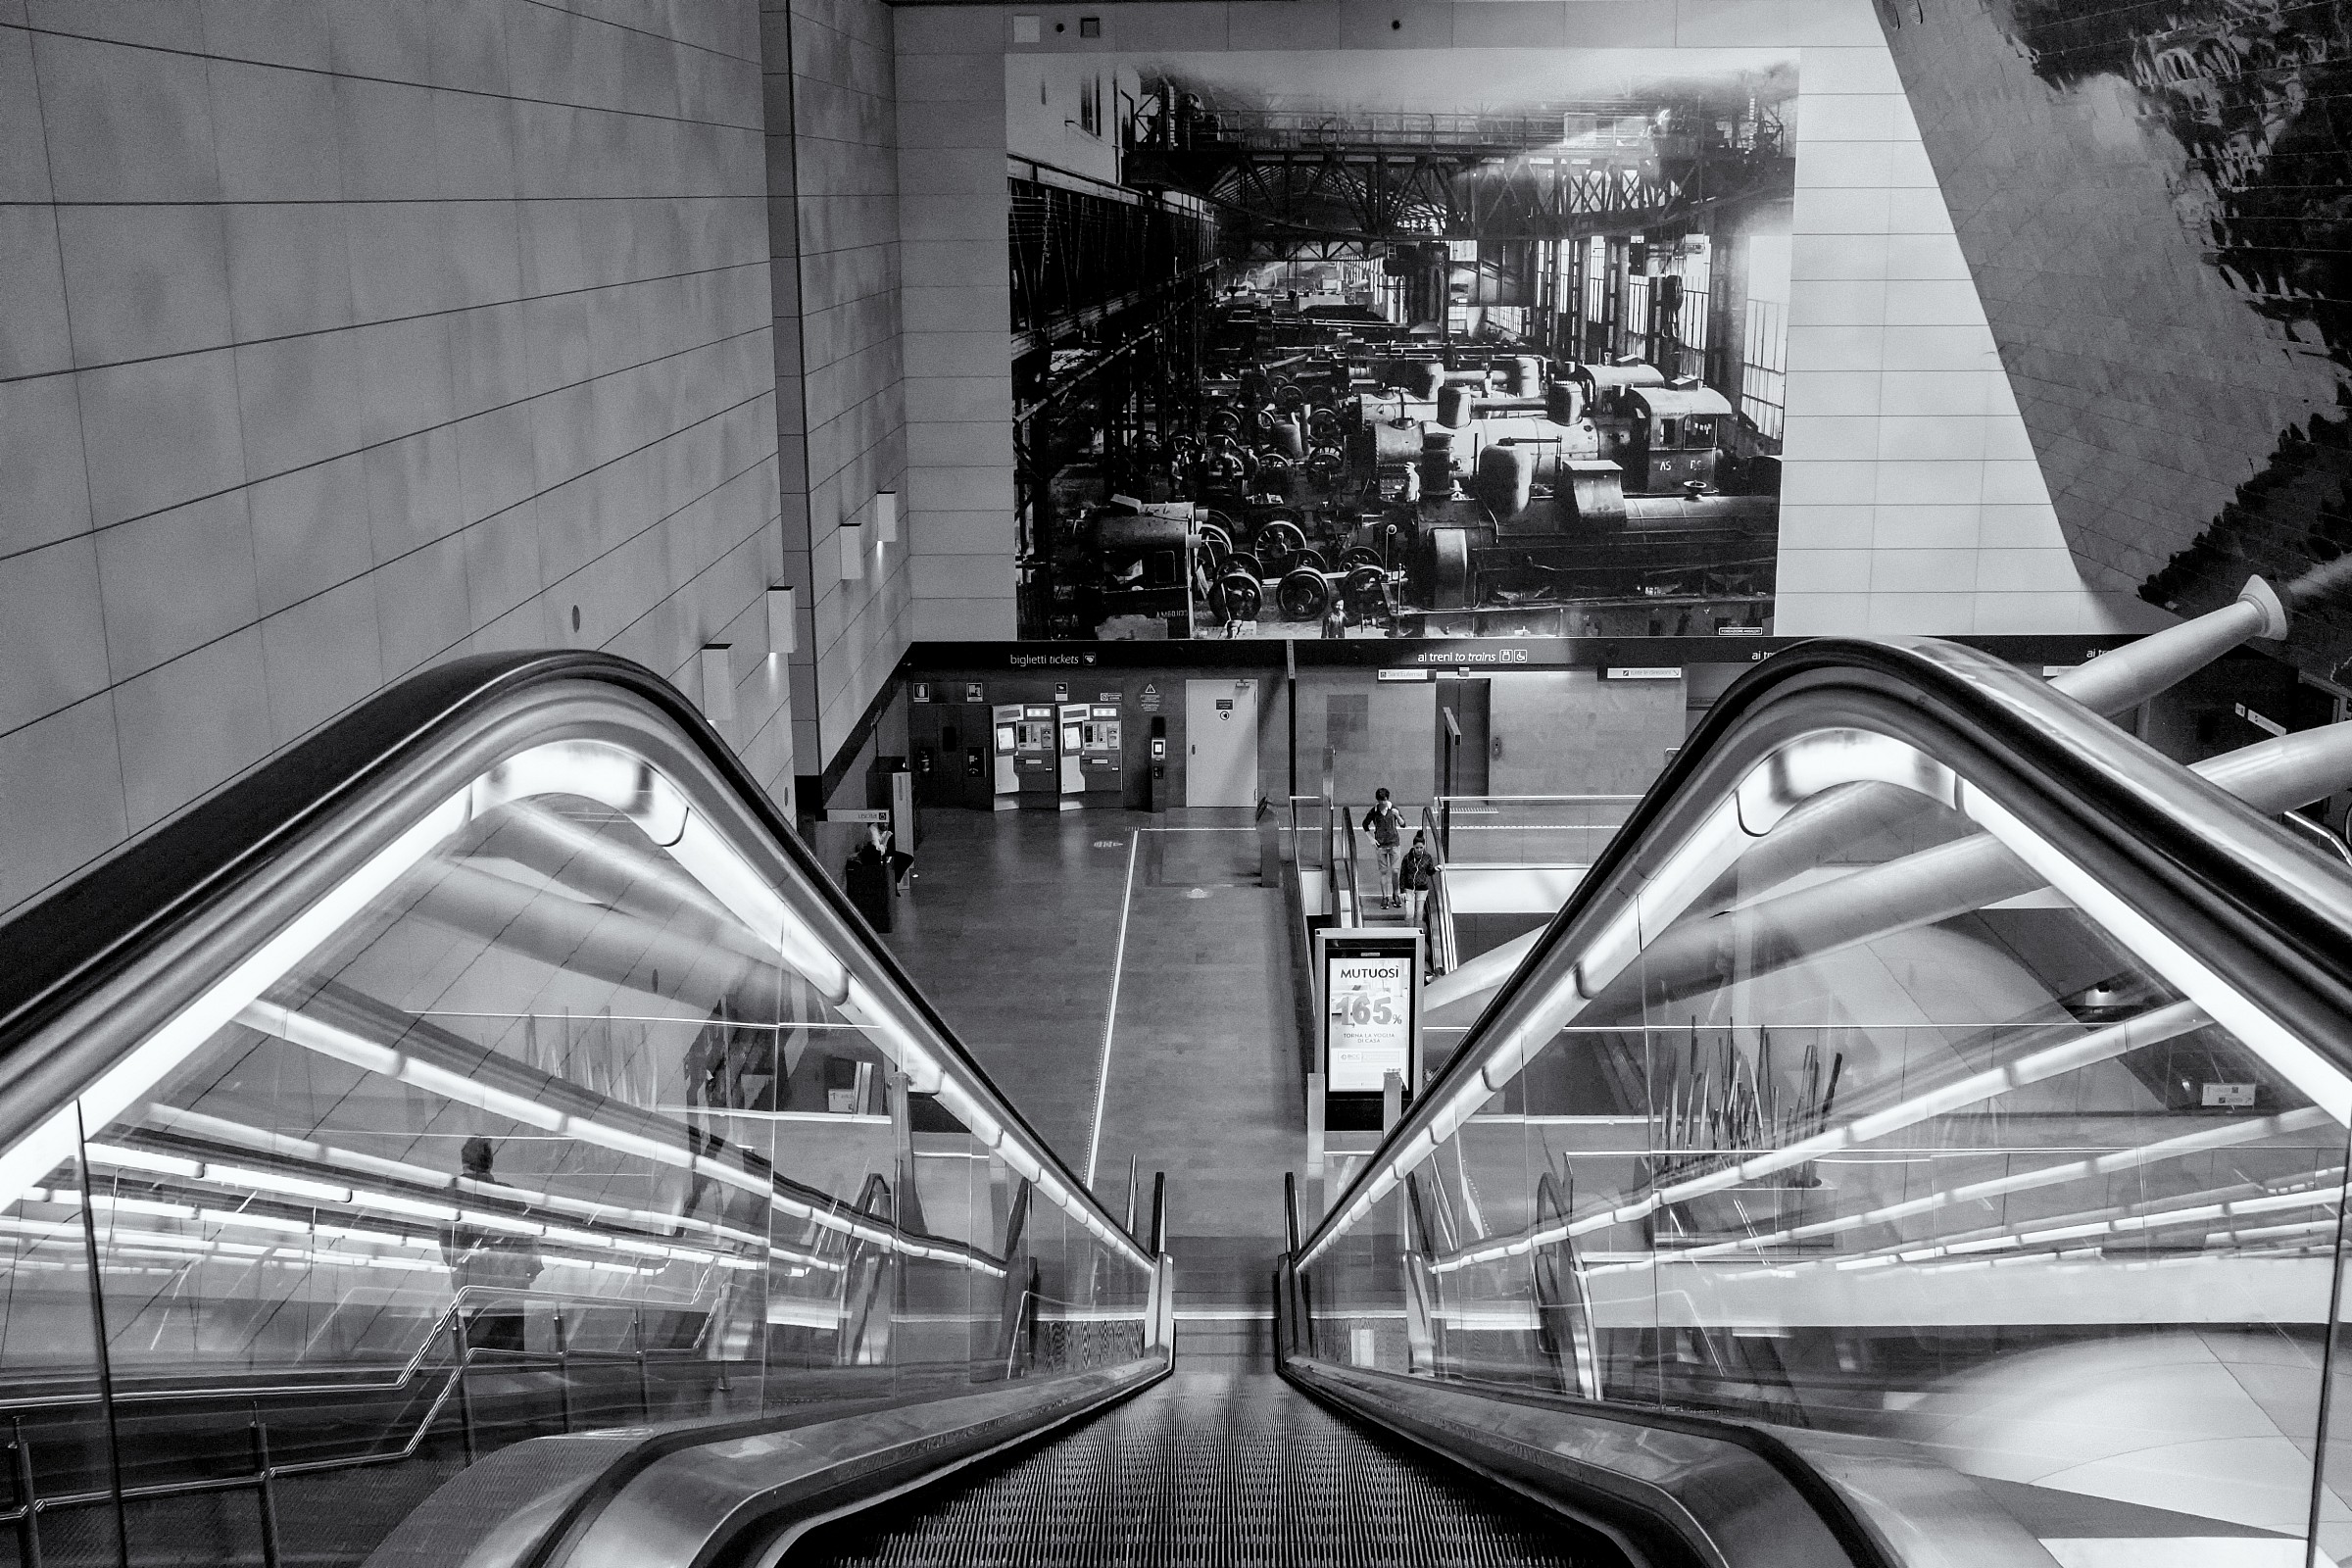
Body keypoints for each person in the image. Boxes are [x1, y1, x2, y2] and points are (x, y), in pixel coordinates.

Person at [441, 1137, 542, 1353]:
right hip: (511, 1292)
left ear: (464, 1162)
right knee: (512, 1353)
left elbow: (448, 1250)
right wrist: (529, 1272)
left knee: (479, 1355)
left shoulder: (452, 1192)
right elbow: (531, 1242)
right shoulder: (511, 1195)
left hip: (473, 1290)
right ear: (490, 1163)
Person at [1361, 787, 1406, 909]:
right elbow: (1365, 824)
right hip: (1380, 845)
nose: (1382, 803)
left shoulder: (1393, 809)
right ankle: (1385, 897)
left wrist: (1398, 816)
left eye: (1384, 800)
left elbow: (1403, 824)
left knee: (1395, 871)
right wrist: (1371, 838)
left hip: (1394, 843)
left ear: (1387, 799)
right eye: (1380, 801)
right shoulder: (1374, 811)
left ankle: (1395, 894)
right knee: (1383, 872)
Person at [1398, 830, 1435, 924]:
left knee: (1419, 913)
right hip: (1409, 888)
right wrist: (1402, 891)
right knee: (1409, 913)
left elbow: (1429, 872)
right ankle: (1409, 933)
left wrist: (1435, 869)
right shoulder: (1407, 858)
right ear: (1413, 847)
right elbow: (1402, 874)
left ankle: (1417, 932)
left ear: (1424, 847)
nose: (1419, 850)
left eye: (1421, 848)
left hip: (1422, 889)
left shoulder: (1427, 857)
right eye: (1417, 848)